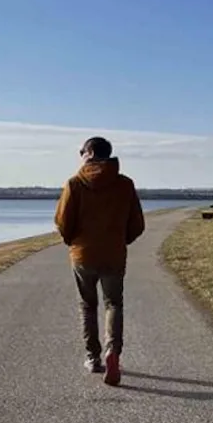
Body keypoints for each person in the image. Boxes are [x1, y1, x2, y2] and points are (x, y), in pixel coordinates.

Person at [54, 137, 145, 386]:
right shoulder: (125, 184)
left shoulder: (75, 184)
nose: (80, 155)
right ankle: (113, 351)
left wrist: (73, 241)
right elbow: (137, 224)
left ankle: (93, 357)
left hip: (83, 255)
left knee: (87, 305)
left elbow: (63, 222)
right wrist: (120, 240)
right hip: (114, 254)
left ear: (90, 153)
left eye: (82, 151)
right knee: (113, 303)